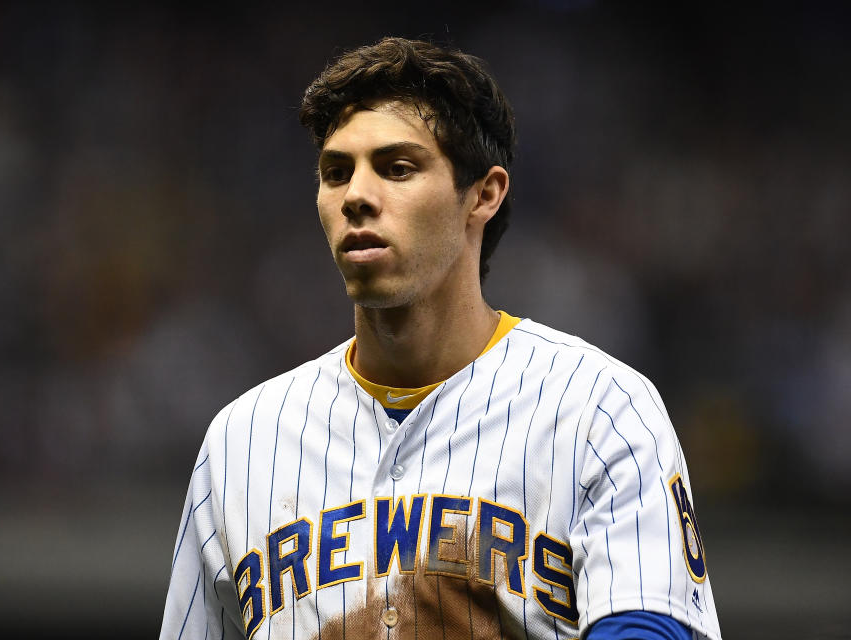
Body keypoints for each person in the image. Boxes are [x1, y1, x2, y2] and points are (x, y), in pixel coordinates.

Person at [160, 37, 721, 640]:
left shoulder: (600, 408)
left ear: (483, 194)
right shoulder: (242, 440)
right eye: (336, 172)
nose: (356, 196)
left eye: (398, 168)